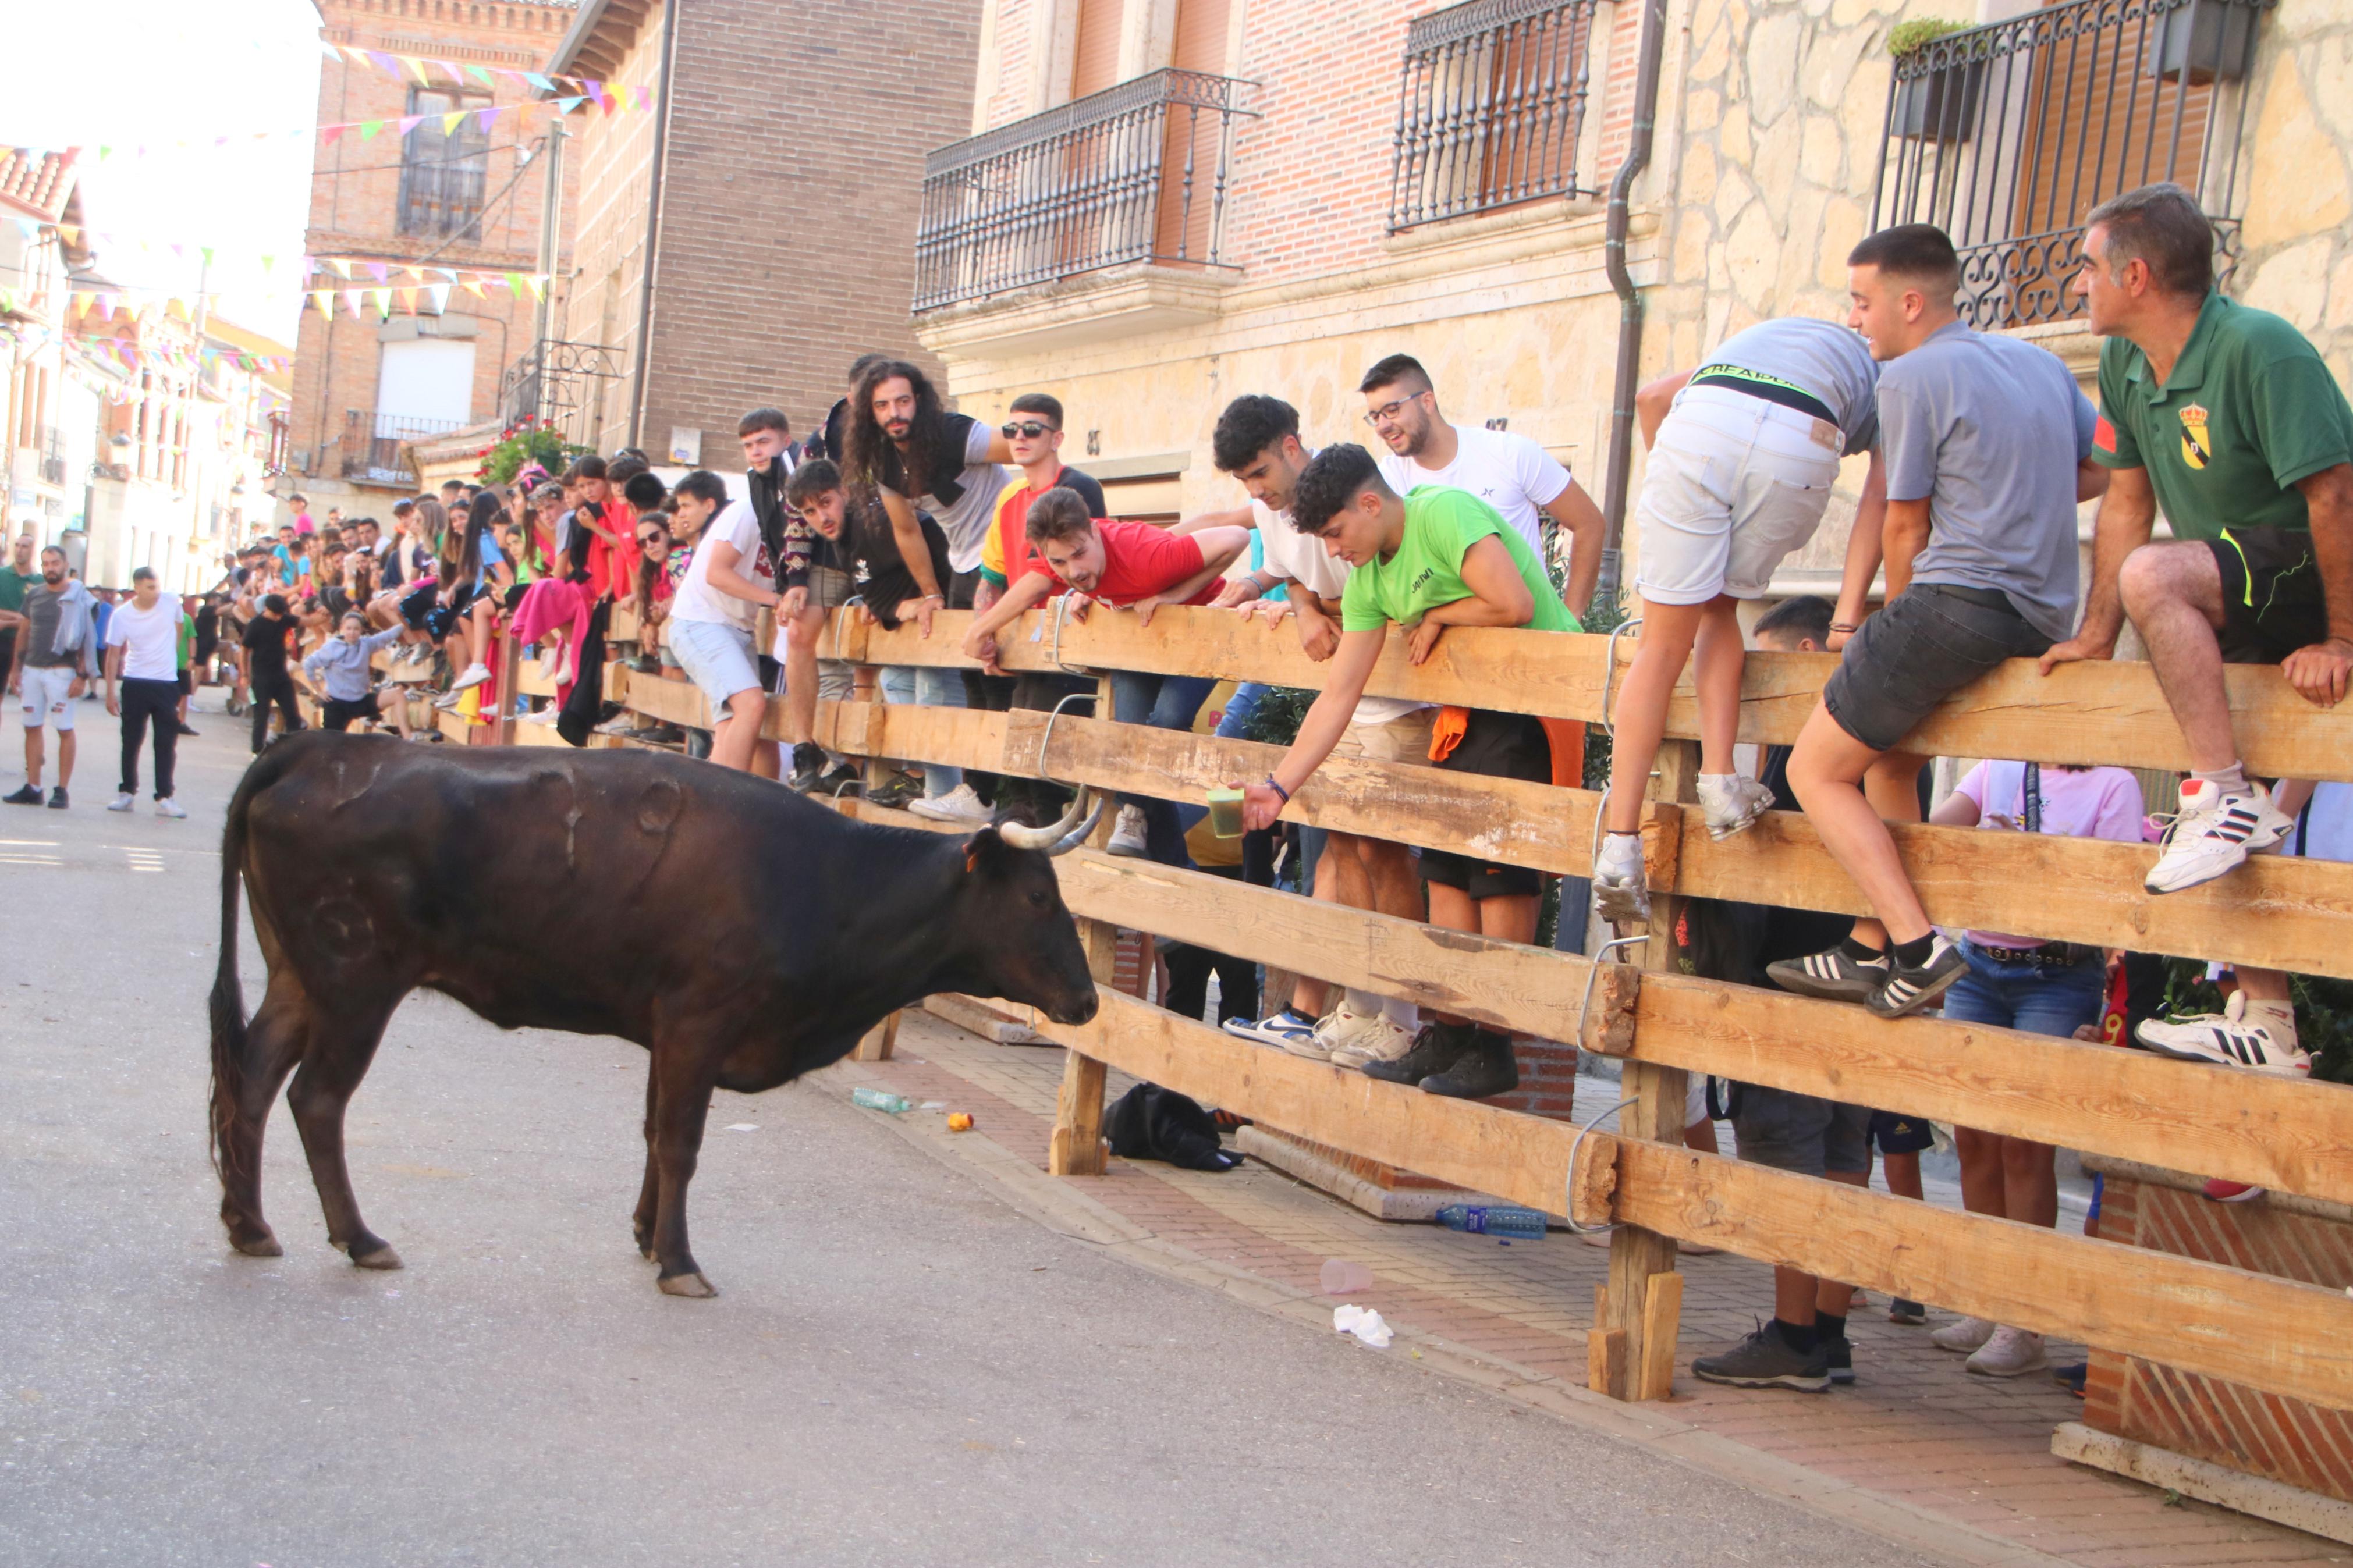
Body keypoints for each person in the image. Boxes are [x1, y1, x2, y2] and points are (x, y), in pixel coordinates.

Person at [2033, 184, 2353, 1074]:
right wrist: (2095, 633)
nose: (2075, 286)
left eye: (2087, 267)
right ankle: (2268, 1017)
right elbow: (2125, 501)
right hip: (2241, 580)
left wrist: (2341, 638)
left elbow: (2334, 495)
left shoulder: (2259, 348)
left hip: (2312, 558)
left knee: (2156, 578)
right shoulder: (2129, 370)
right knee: (2213, 814)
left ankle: (2223, 795)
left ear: (2134, 274)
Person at [1768, 224, 2107, 1018]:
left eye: (1861, 302)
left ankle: (1916, 947)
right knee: (1884, 763)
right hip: (2040, 608)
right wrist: (2018, 500)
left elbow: (1901, 525)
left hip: (1954, 602)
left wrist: (1875, 622)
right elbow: (2100, 463)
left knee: (1809, 770)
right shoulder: (2038, 361)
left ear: (1909, 302)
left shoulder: (1909, 377)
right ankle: (1864, 946)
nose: (1854, 320)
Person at [1238, 446, 1580, 1098]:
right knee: (1443, 873)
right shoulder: (1368, 580)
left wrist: (1436, 614)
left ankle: (1494, 1041)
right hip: (1467, 709)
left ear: (1370, 503)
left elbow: (1510, 602)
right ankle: (1451, 1033)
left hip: (1536, 697)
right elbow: (1338, 695)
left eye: (1336, 533)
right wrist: (1280, 786)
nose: (1334, 552)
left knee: (1497, 872)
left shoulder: (1444, 511)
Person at [1592, 319, 1890, 921]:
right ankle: (1721, 780)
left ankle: (1620, 845)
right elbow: (1882, 505)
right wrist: (1848, 617)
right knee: (1720, 608)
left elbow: (1651, 398)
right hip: (1799, 441)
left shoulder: (1756, 342)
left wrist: (1685, 506)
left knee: (1658, 646)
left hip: (1697, 429)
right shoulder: (1894, 373)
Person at [1205, 395, 1433, 1067]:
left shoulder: (1350, 495)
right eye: (1243, 481)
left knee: (1377, 850)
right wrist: (1294, 603)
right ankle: (1341, 1008)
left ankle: (1397, 1014)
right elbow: (1295, 572)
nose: (1256, 491)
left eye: (1259, 472)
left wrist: (1310, 603)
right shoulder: (1271, 513)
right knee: (1340, 845)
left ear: (1290, 444)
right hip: (1347, 696)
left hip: (1399, 698)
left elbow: (1374, 590)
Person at [1917, 755, 2145, 1375]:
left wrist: (2036, 858)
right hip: (1977, 964)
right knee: (1970, 1138)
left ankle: (2024, 1320)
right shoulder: (1996, 765)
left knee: (2024, 1145)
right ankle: (1986, 1301)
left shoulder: (2113, 782)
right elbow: (1935, 831)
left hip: (2057, 971)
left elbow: (2118, 890)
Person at [963, 493, 1249, 864]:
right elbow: (1036, 583)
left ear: (1096, 532)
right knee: (1126, 736)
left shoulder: (1146, 557)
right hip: (1139, 642)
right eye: (1059, 562)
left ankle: (1149, 832)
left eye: (1080, 554)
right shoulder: (1068, 559)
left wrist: (1174, 595)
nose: (1073, 569)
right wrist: (983, 628)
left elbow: (1236, 538)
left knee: (1166, 723)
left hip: (1199, 636)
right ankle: (1157, 842)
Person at [841, 360, 1013, 790]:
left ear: (919, 400)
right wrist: (931, 593)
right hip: (961, 563)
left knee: (1003, 672)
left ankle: (1006, 791)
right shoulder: (883, 463)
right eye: (882, 405)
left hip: (1003, 556)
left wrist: (1030, 533)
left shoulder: (956, 433)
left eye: (902, 400)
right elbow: (906, 530)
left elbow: (1025, 451)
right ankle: (976, 792)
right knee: (969, 675)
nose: (894, 413)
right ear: (870, 413)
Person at [783, 460, 982, 817]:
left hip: (952, 611)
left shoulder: (873, 521)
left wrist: (932, 597)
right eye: (810, 512)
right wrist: (889, 605)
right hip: (919, 620)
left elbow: (929, 541)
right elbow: (875, 588)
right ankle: (928, 782)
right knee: (894, 678)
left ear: (844, 492)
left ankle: (950, 790)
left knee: (933, 687)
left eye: (825, 502)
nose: (821, 517)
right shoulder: (845, 536)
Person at [1359, 353, 1607, 614]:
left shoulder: (1508, 453)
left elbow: (1589, 524)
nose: (1383, 426)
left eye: (1392, 410)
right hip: (1439, 642)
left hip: (1527, 633)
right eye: (1375, 417)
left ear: (1427, 401)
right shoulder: (1385, 483)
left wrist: (1571, 619)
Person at [665, 469, 779, 772]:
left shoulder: (795, 526)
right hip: (701, 621)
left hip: (738, 629)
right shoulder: (749, 511)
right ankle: (733, 801)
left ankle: (710, 806)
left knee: (733, 722)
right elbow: (716, 573)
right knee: (752, 705)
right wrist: (773, 599)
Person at [4, 545, 98, 809]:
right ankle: (33, 787)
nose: (50, 568)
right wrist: (16, 669)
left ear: (65, 563)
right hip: (33, 669)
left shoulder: (80, 597)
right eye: (46, 564)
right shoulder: (34, 595)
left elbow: (87, 639)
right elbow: (24, 631)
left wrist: (82, 676)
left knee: (64, 728)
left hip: (62, 671)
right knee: (31, 726)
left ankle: (62, 790)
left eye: (55, 563)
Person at [101, 567, 190, 818]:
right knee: (131, 740)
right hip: (135, 680)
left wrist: (170, 656)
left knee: (165, 742)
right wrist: (110, 691)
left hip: (165, 682)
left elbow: (180, 626)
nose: (156, 592)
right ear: (137, 588)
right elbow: (114, 653)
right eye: (150, 587)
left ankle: (165, 796)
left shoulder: (171, 603)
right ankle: (127, 792)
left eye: (157, 585)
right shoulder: (122, 615)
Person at [304, 611, 413, 738]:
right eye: (348, 628)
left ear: (361, 630)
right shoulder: (332, 648)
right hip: (337, 703)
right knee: (331, 743)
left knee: (398, 694)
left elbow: (387, 636)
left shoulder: (365, 644)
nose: (352, 632)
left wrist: (406, 622)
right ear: (342, 629)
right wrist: (318, 690)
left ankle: (408, 738)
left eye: (356, 629)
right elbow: (309, 664)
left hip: (360, 700)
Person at [240, 594, 303, 755]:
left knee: (292, 713)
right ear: (267, 609)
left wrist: (323, 616)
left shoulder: (283, 619)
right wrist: (245, 675)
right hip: (261, 676)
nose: (278, 617)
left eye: (281, 614)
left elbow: (304, 622)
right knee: (261, 716)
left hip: (281, 675)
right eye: (276, 614)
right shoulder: (255, 625)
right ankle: (257, 750)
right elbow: (244, 650)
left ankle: (294, 750)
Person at [0, 531, 33, 699]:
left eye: (25, 546)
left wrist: (7, 622)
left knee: (27, 700)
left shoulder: (39, 581)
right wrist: (21, 619)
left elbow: (36, 620)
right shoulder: (2, 575)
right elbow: (28, 618)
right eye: (17, 545)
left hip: (28, 645)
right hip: (2, 641)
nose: (20, 550)